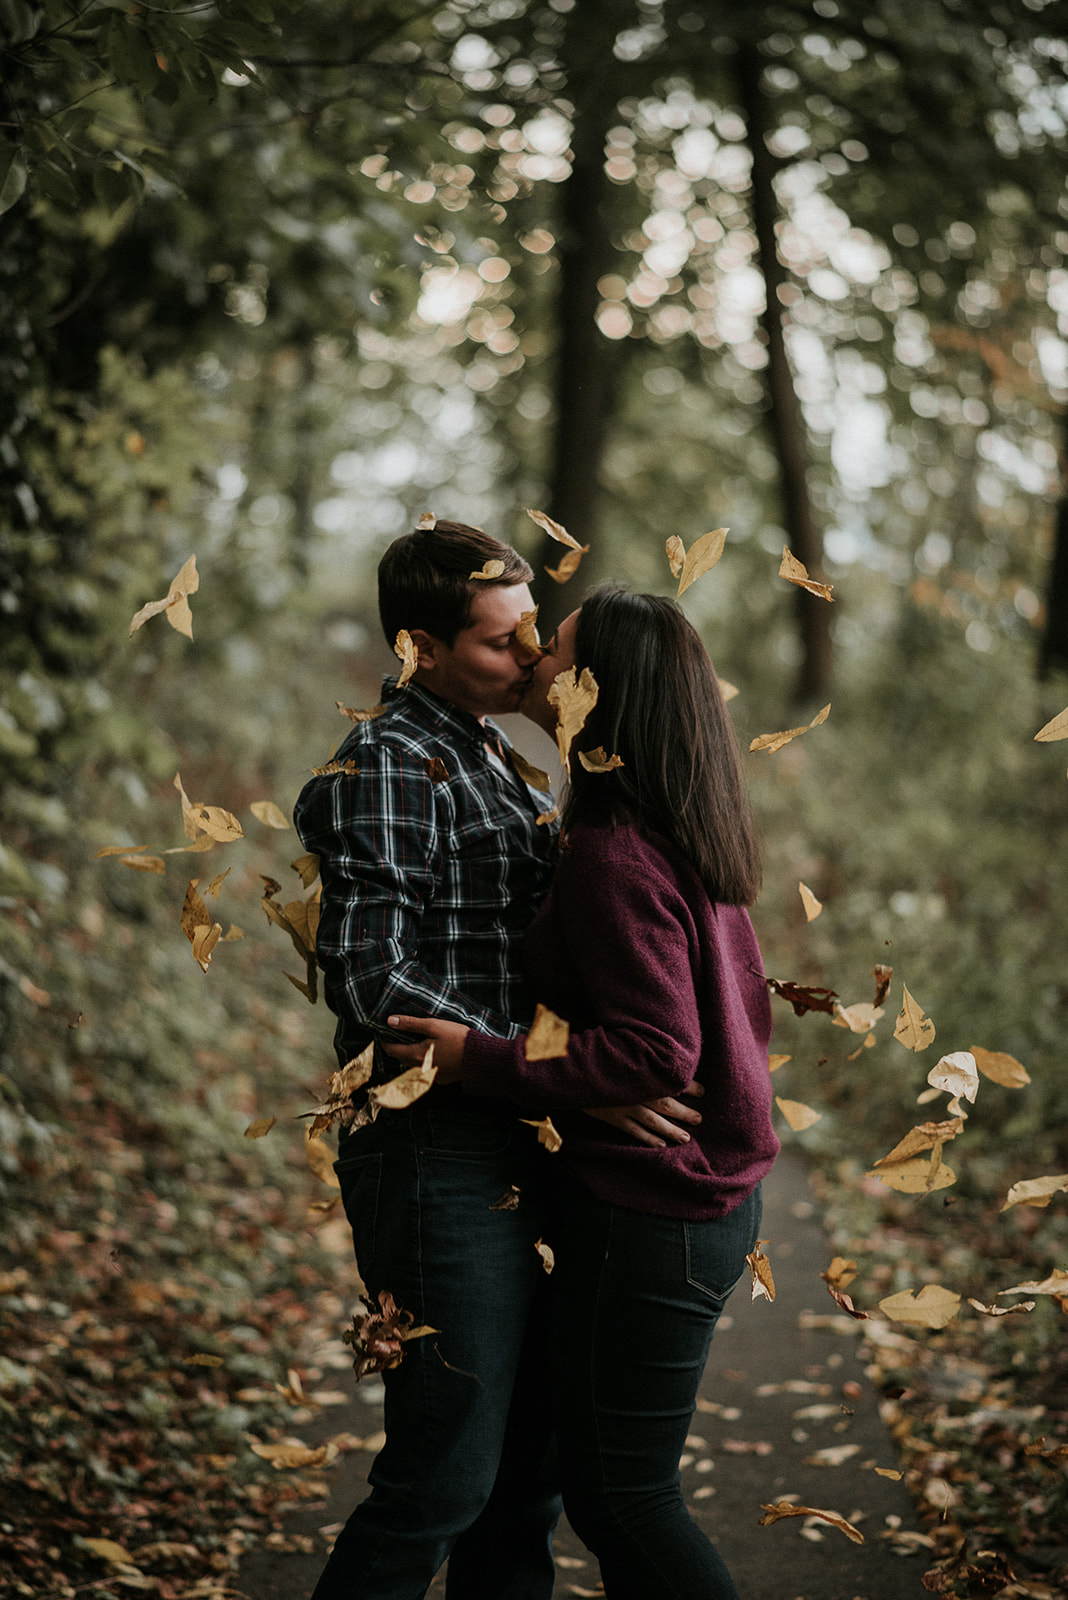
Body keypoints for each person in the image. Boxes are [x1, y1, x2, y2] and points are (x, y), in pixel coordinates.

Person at [293, 529, 701, 1600]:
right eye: (498, 639)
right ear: (418, 645)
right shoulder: (392, 760)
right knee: (444, 1475)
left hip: (520, 1134)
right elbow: (374, 979)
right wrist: (542, 1064)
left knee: (525, 1480)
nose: (529, 655)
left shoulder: (491, 749)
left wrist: (575, 1072)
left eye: (532, 627)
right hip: (433, 1147)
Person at [386, 586, 781, 1600]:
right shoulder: (670, 814)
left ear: (599, 690)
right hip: (691, 1201)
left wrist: (481, 1059)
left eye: (549, 647)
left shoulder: (613, 850)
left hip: (658, 1216)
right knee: (549, 1475)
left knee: (626, 1500)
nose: (530, 658)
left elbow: (654, 1051)